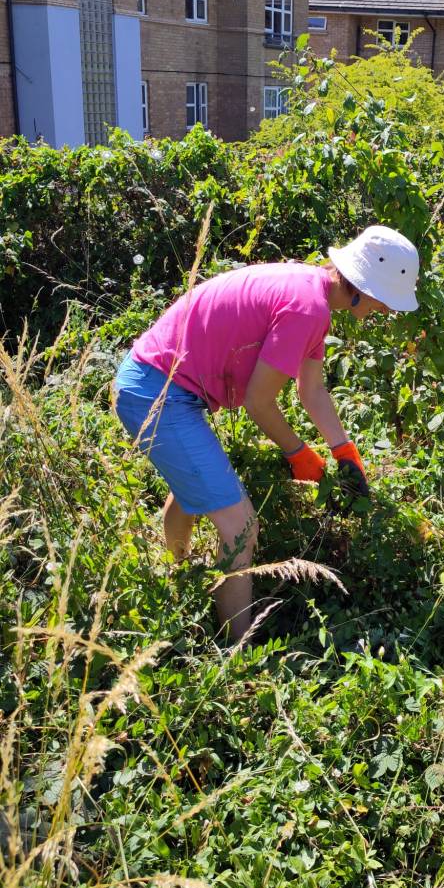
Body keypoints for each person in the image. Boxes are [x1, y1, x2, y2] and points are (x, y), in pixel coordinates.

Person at [113, 225, 419, 640]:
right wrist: (298, 454)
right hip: (157, 393)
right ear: (365, 287)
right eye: (388, 302)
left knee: (193, 486)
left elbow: (310, 389)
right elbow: (259, 402)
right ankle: (237, 649)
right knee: (241, 527)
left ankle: (177, 573)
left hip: (154, 382)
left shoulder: (311, 290)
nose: (388, 312)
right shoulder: (307, 308)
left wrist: (343, 451)